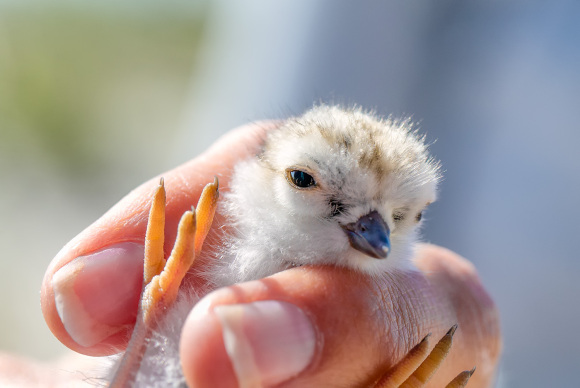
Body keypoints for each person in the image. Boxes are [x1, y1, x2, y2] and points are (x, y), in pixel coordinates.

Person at [34, 123, 500, 387]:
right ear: (253, 178)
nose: (375, 231)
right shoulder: (190, 269)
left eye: (402, 215)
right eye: (306, 181)